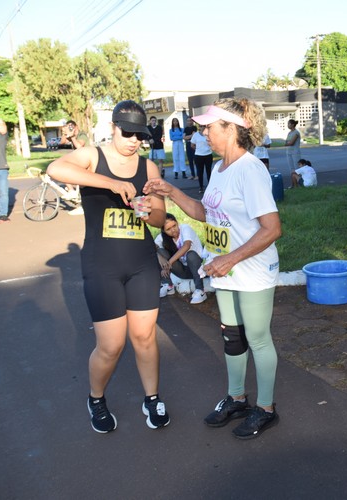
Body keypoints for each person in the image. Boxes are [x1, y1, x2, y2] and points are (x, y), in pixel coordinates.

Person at [144, 97, 282, 440]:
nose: (203, 133)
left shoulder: (250, 169)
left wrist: (230, 258)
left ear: (232, 129)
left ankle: (265, 409)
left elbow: (272, 228)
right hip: (226, 270)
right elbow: (207, 213)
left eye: (209, 127)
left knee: (258, 339)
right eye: (203, 127)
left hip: (251, 269)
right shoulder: (221, 169)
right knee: (231, 336)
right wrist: (171, 191)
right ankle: (237, 399)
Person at [46, 100, 170, 433]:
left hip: (141, 263)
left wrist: (147, 210)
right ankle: (96, 399)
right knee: (112, 345)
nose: (133, 140)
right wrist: (110, 183)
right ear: (113, 127)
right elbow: (56, 169)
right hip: (103, 266)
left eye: (139, 135)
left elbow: (159, 219)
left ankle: (152, 397)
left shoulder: (149, 168)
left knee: (144, 337)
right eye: (127, 132)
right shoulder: (93, 157)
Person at [155, 213, 207, 304]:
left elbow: (186, 246)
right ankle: (168, 286)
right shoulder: (163, 237)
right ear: (164, 231)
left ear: (177, 223)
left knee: (190, 255)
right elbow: (153, 247)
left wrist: (169, 263)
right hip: (183, 271)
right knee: (161, 252)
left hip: (198, 269)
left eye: (174, 225)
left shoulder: (185, 229)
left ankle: (200, 290)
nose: (173, 230)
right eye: (168, 229)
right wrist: (161, 258)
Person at [59, 119, 90, 209]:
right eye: (69, 127)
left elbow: (79, 146)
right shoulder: (71, 135)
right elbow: (62, 143)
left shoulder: (82, 135)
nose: (71, 129)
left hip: (87, 160)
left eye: (72, 127)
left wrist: (72, 137)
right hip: (79, 161)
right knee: (62, 168)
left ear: (76, 127)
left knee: (65, 170)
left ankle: (72, 192)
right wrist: (65, 133)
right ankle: (74, 192)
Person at [191, 120, 213, 193]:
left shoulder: (209, 134)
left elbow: (212, 143)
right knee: (200, 172)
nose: (202, 127)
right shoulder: (195, 135)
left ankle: (210, 187)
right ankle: (201, 187)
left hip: (208, 155)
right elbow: (192, 145)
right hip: (199, 156)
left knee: (209, 172)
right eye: (201, 126)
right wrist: (198, 149)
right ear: (199, 127)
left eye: (204, 126)